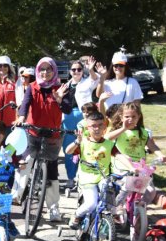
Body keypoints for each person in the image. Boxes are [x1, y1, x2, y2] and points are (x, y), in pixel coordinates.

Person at [14, 57, 74, 222]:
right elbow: (25, 104)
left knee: (52, 173)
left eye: (48, 69)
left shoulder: (61, 87)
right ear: (38, 70)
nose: (45, 72)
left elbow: (68, 109)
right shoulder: (32, 87)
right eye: (42, 69)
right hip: (33, 132)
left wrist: (59, 99)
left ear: (54, 70)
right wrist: (21, 118)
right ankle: (17, 194)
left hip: (52, 135)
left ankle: (53, 208)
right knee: (25, 161)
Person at [64, 111, 122, 229]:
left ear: (105, 127)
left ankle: (113, 213)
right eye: (93, 126)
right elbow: (68, 151)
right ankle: (77, 215)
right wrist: (76, 142)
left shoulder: (108, 144)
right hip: (87, 178)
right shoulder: (84, 142)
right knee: (91, 204)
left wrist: (132, 167)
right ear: (87, 128)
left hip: (103, 177)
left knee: (109, 190)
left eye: (100, 125)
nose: (97, 129)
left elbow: (120, 156)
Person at [61, 57, 101, 192]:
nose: (76, 71)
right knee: (69, 151)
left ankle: (84, 178)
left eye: (79, 69)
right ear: (70, 71)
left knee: (86, 149)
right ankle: (71, 178)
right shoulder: (65, 85)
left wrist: (91, 70)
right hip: (68, 121)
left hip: (84, 120)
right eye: (74, 69)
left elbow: (96, 80)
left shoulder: (87, 82)